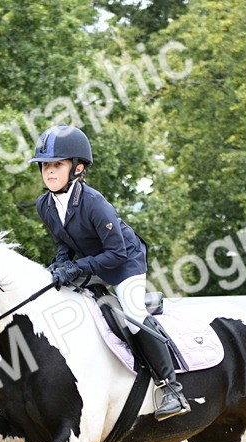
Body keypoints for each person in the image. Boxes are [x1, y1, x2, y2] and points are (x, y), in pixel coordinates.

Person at [29, 124, 189, 420]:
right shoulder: (45, 204)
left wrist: (75, 267)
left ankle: (172, 389)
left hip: (125, 262)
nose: (49, 171)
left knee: (133, 315)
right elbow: (63, 241)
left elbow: (116, 253)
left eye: (57, 165)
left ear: (78, 168)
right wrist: (59, 264)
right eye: (45, 165)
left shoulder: (94, 203)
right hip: (94, 261)